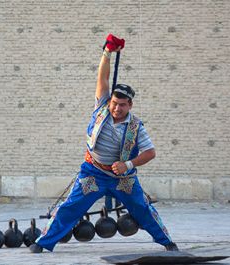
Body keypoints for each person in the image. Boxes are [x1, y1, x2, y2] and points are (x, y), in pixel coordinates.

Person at [30, 34, 179, 253]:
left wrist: (128, 165)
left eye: (122, 105)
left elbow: (150, 152)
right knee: (70, 207)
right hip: (93, 172)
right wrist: (107, 53)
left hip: (122, 178)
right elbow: (103, 79)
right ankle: (43, 243)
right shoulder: (101, 108)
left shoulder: (136, 127)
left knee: (142, 208)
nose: (117, 108)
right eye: (115, 103)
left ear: (130, 105)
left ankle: (167, 242)